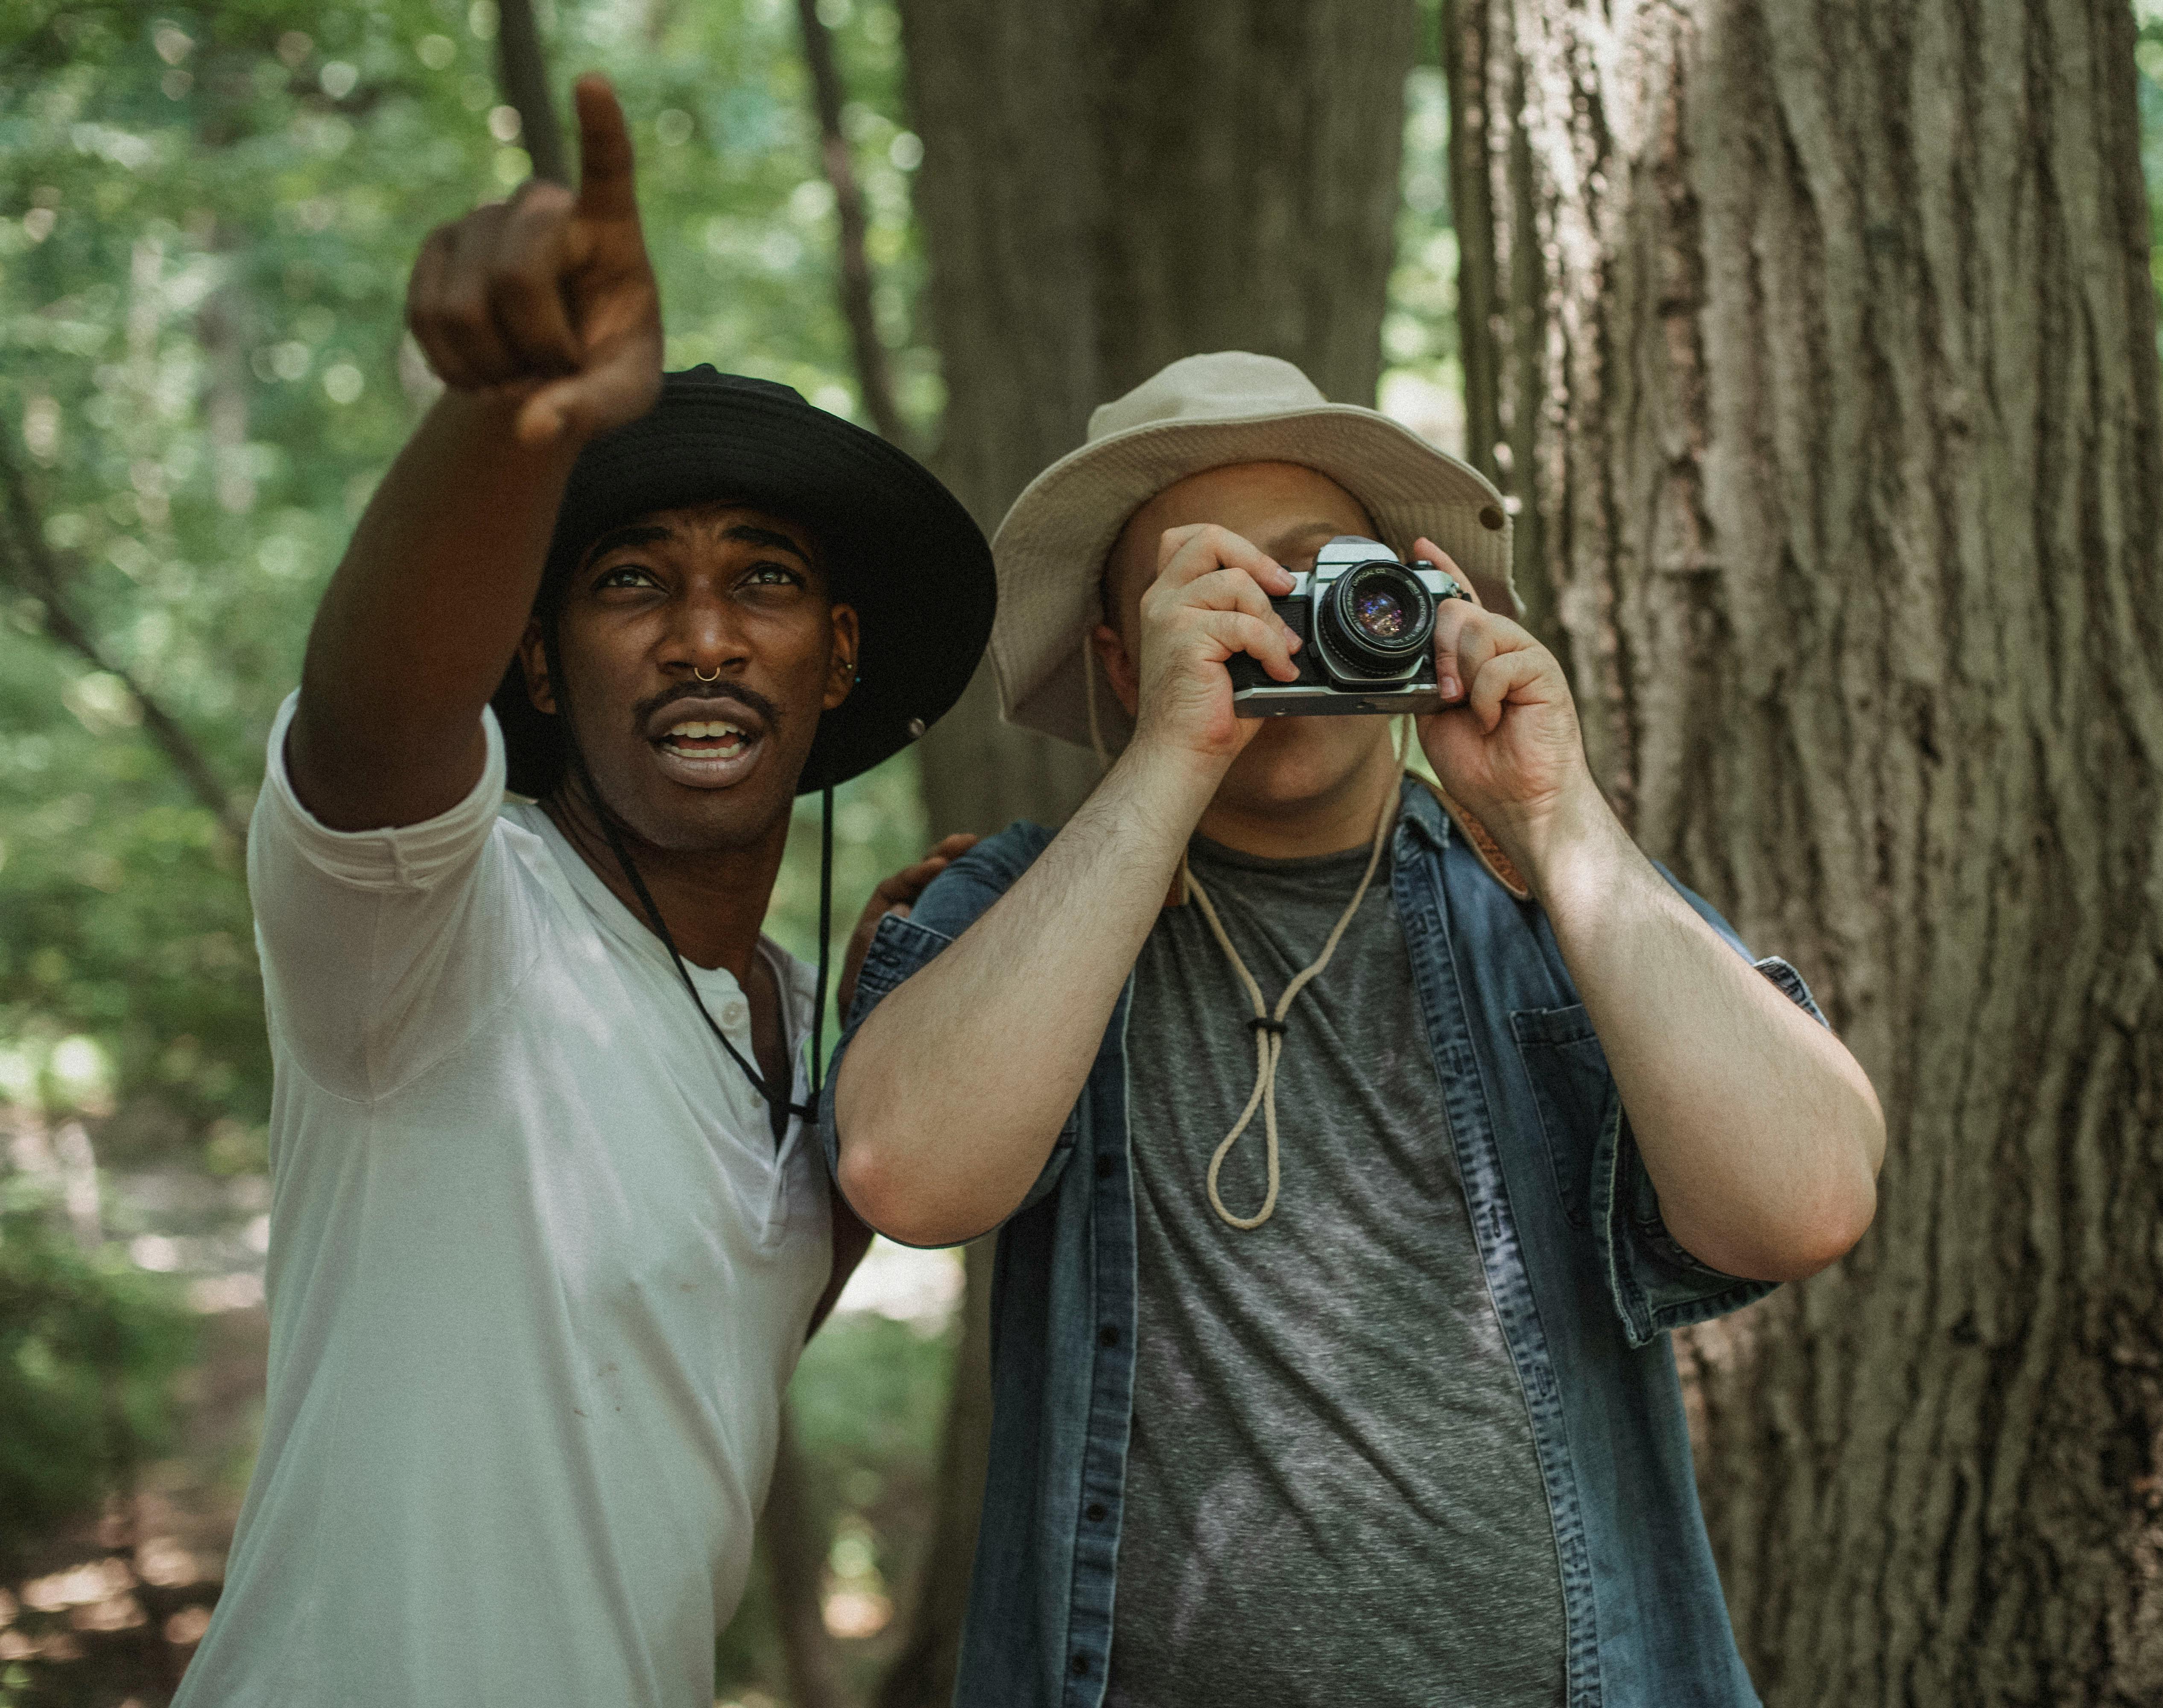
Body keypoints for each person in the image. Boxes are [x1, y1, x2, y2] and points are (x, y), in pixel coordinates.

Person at [826, 351, 1887, 1706]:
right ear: (1118, 651)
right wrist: (1170, 753)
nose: (1279, 618)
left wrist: (1556, 813)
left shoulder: (1555, 902)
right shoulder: (1018, 909)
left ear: (1412, 608)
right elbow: (908, 1176)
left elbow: (1804, 1204)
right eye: (1216, 586)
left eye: (1324, 573)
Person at [174, 77, 993, 1708]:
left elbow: (701, 1324)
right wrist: (514, 412)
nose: (702, 634)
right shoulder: (443, 926)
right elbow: (370, 727)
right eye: (632, 582)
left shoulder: (772, 1011)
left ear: (835, 657)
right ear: (536, 660)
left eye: (762, 577)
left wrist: (912, 1015)